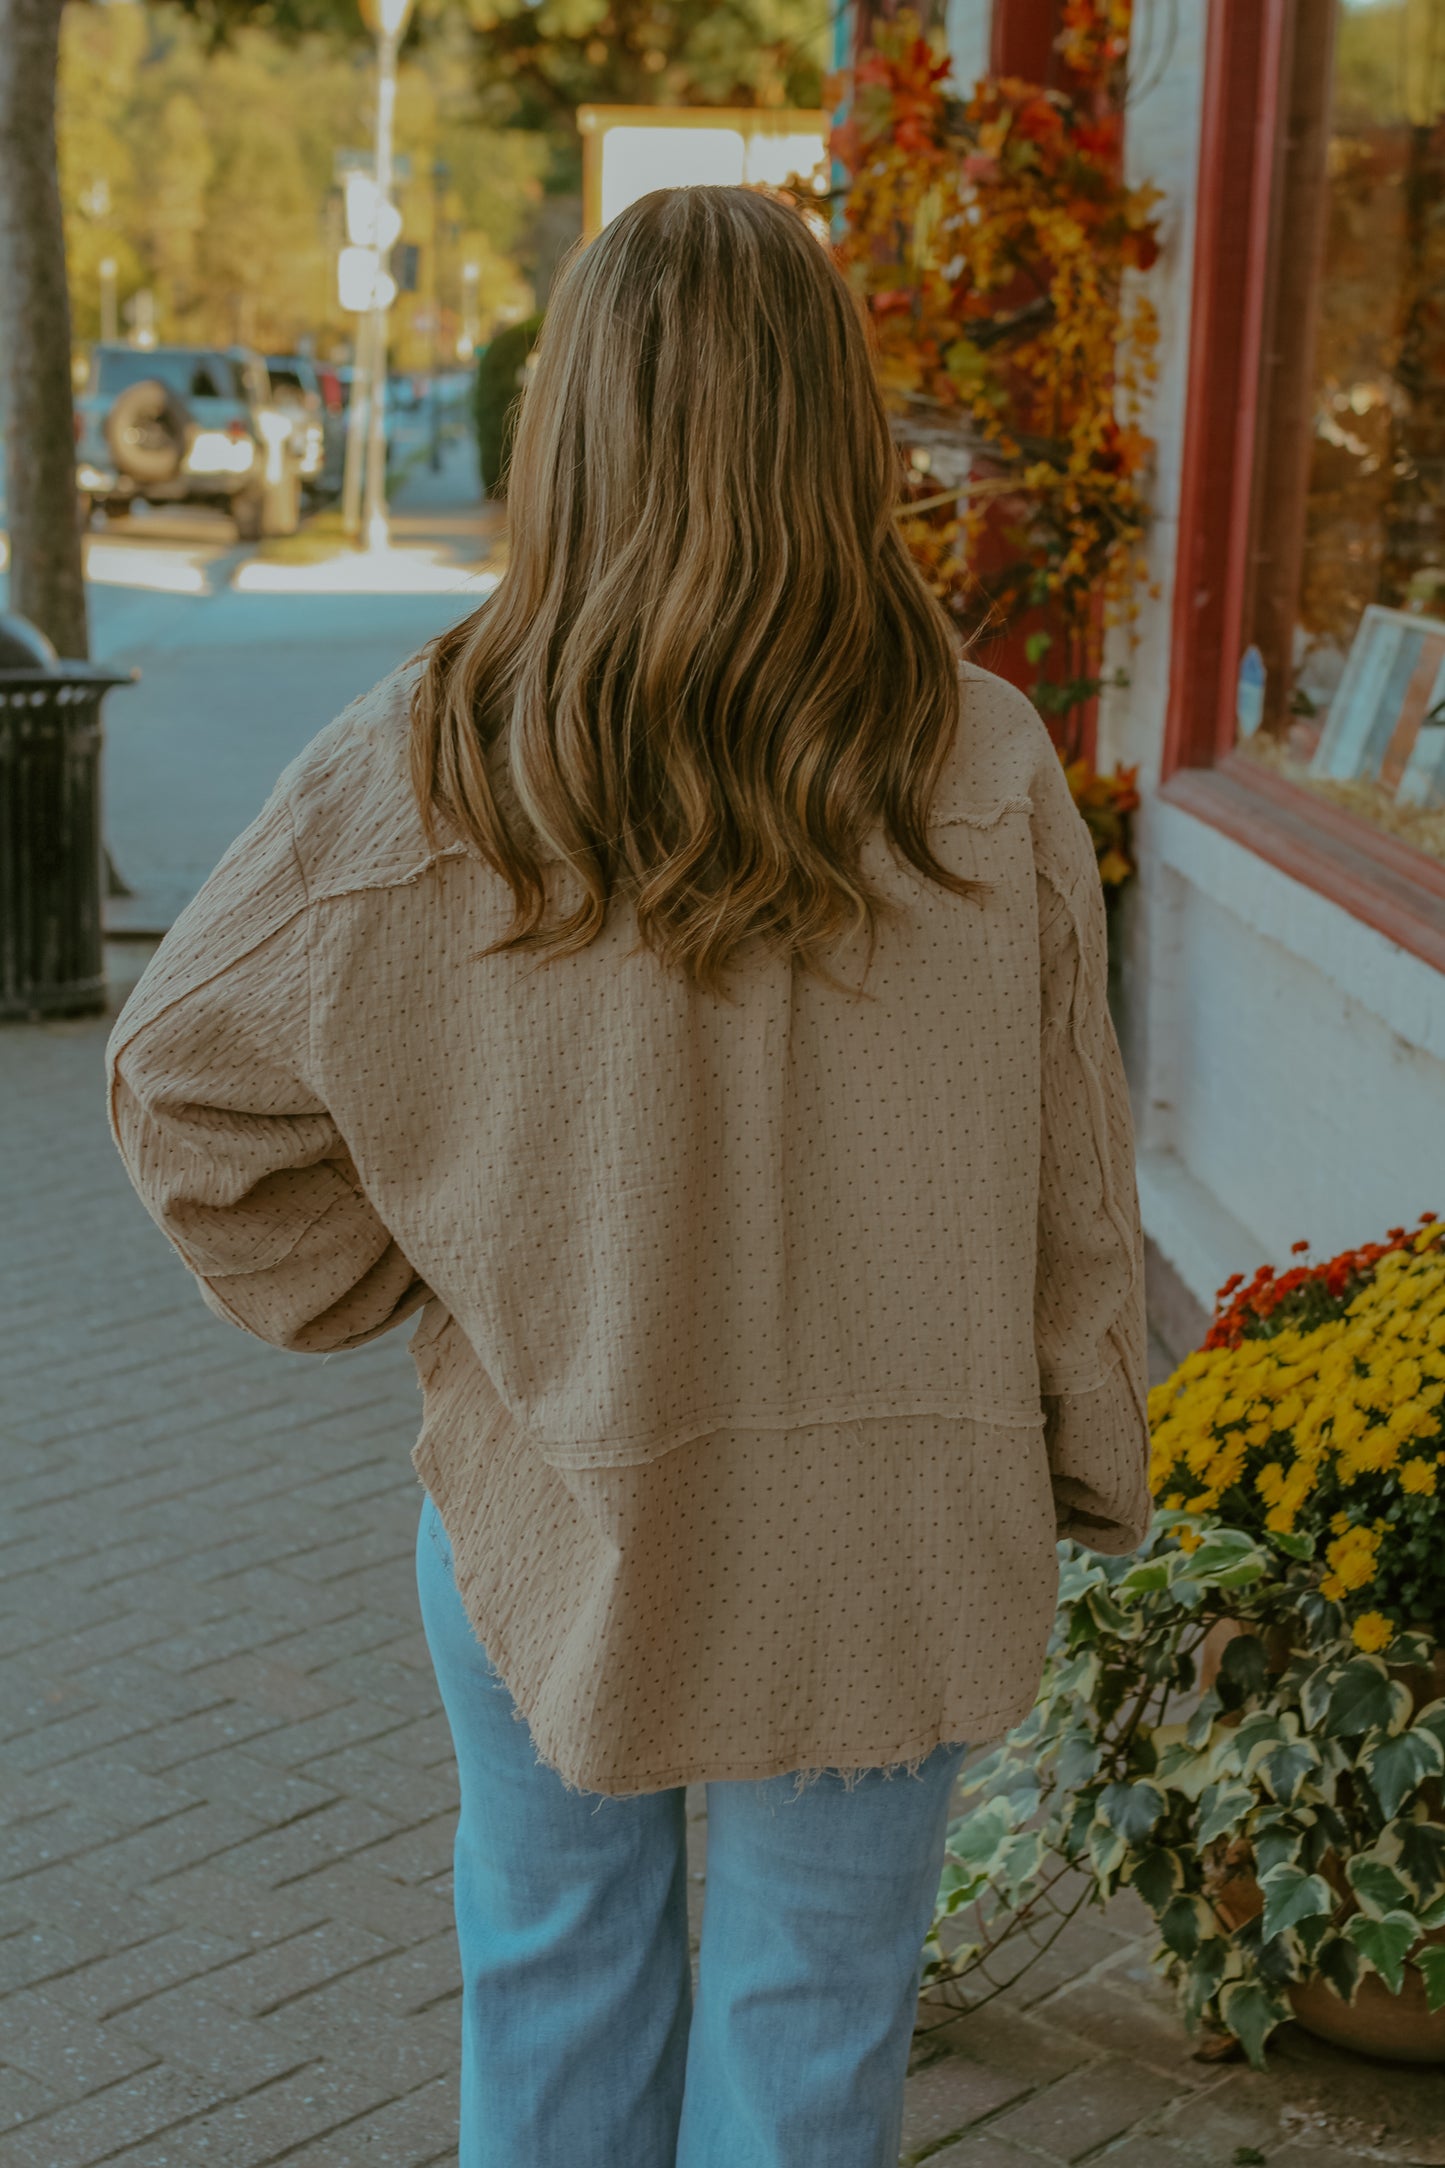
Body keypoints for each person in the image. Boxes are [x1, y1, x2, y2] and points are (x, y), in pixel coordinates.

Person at [108, 186, 1150, 2168]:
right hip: (891, 1521)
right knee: (814, 2038)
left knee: (557, 1982)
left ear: (570, 421)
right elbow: (1073, 1185)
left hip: (554, 1489)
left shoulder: (430, 755)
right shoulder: (987, 759)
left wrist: (423, 1266)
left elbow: (184, 1094)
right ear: (837, 428)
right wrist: (1085, 1454)